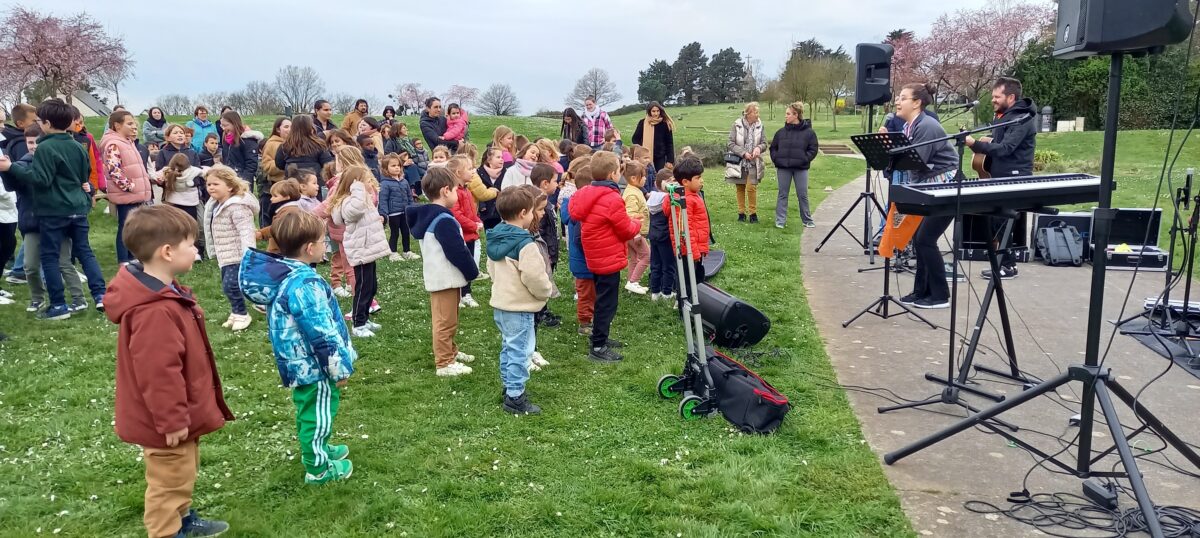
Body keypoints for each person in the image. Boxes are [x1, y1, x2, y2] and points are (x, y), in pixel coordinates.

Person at [105, 204, 233, 538]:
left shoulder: (165, 293)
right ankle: (165, 530)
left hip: (177, 412)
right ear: (166, 252)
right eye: (191, 244)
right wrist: (172, 419)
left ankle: (182, 518)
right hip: (164, 419)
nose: (196, 250)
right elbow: (158, 372)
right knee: (168, 479)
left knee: (182, 469)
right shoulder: (154, 312)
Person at [239, 210, 356, 484]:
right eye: (323, 241)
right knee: (317, 413)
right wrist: (339, 368)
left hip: (298, 362)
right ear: (309, 248)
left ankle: (320, 447)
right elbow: (321, 332)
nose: (326, 246)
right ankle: (318, 468)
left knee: (311, 410)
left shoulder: (284, 275)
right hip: (315, 365)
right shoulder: (305, 284)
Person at [1, 123, 87, 313]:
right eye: (30, 142)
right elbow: (12, 186)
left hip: (57, 220)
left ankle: (78, 298)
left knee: (64, 262)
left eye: (37, 142)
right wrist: (6, 170)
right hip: (33, 221)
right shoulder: (22, 163)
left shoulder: (53, 161)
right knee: (30, 265)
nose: (34, 146)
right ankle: (37, 298)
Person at [486, 187, 555, 415]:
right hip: (519, 307)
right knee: (521, 351)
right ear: (524, 213)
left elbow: (490, 268)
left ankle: (508, 385)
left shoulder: (496, 236)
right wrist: (545, 292)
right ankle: (515, 396)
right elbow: (534, 276)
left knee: (509, 346)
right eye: (533, 211)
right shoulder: (525, 244)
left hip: (502, 303)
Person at [567, 151, 641, 363]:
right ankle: (598, 346)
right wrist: (636, 222)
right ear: (612, 174)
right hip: (608, 258)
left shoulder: (584, 194)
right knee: (607, 303)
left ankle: (601, 336)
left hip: (594, 256)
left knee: (601, 299)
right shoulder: (611, 198)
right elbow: (625, 230)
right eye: (619, 170)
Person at [407, 167, 480, 376]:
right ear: (446, 191)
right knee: (444, 322)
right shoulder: (444, 221)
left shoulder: (437, 217)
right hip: (443, 278)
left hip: (447, 278)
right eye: (456, 190)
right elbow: (456, 251)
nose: (458, 194)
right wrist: (472, 271)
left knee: (450, 319)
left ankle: (451, 350)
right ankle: (444, 362)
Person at [893, 83, 961, 310]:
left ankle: (940, 295)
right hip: (929, 186)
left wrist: (891, 156)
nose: (897, 101)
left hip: (946, 187)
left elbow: (915, 161)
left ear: (917, 103)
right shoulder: (910, 126)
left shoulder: (927, 126)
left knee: (925, 239)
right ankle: (921, 291)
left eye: (903, 97)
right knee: (919, 238)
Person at [966, 76, 1037, 281]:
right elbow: (997, 142)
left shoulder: (1022, 119)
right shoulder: (1004, 116)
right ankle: (1003, 264)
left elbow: (1006, 148)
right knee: (996, 221)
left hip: (1014, 177)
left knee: (1003, 222)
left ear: (1011, 97)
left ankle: (1008, 266)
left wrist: (975, 144)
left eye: (997, 97)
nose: (993, 100)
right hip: (998, 176)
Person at [329, 166, 390, 337]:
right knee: (363, 287)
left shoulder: (361, 199)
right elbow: (354, 212)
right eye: (366, 180)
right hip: (360, 248)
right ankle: (358, 323)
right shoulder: (349, 201)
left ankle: (365, 317)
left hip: (367, 248)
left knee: (371, 286)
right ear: (355, 184)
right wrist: (357, 188)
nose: (370, 183)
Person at [202, 165, 259, 330]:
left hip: (237, 254)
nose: (211, 187)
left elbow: (246, 231)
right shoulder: (215, 204)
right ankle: (236, 311)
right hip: (225, 254)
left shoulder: (237, 206)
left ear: (230, 186)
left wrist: (248, 253)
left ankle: (242, 314)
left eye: (215, 184)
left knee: (231, 285)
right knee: (228, 286)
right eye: (209, 184)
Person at [101, 110, 153, 265]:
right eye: (129, 123)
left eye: (134, 124)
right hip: (126, 195)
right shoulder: (113, 144)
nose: (133, 126)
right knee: (126, 226)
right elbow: (114, 169)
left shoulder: (127, 142)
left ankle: (133, 257)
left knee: (134, 227)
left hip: (136, 194)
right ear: (117, 125)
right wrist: (130, 186)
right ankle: (124, 259)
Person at [665, 156, 711, 311]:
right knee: (686, 279)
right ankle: (683, 305)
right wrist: (694, 252)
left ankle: (690, 301)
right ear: (685, 181)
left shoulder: (692, 195)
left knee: (695, 277)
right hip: (688, 250)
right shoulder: (684, 200)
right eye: (698, 177)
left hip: (695, 248)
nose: (701, 180)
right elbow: (684, 228)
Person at [769, 102, 820, 229]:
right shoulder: (780, 133)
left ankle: (807, 220)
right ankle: (780, 221)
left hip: (801, 169)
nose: (785, 116)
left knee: (802, 194)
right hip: (783, 168)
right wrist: (776, 159)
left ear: (796, 115)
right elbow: (773, 148)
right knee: (782, 194)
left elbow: (813, 149)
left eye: (788, 114)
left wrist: (804, 159)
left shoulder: (809, 133)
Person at [560, 160, 595, 336]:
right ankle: (585, 322)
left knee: (588, 292)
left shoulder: (570, 203)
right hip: (585, 261)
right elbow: (581, 238)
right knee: (586, 294)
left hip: (580, 261)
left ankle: (591, 317)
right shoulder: (584, 209)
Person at [447, 155, 487, 307]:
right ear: (458, 172)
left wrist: (477, 221)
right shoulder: (454, 192)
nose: (473, 171)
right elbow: (456, 214)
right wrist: (473, 225)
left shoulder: (467, 190)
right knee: (459, 265)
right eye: (470, 168)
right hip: (461, 235)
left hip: (470, 235)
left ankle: (466, 293)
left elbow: (471, 211)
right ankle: (458, 294)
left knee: (469, 264)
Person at [529, 164, 561, 329]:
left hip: (550, 251)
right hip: (544, 252)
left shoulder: (546, 203)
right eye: (555, 181)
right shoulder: (538, 206)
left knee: (547, 278)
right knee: (541, 280)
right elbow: (539, 231)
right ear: (545, 183)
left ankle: (544, 309)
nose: (558, 184)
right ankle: (540, 313)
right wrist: (547, 252)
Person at [727, 102, 767, 223]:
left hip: (754, 162)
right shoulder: (737, 125)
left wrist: (758, 148)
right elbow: (730, 143)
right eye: (755, 112)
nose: (757, 114)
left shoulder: (760, 125)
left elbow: (764, 143)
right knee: (740, 187)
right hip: (739, 161)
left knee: (751, 187)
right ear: (748, 113)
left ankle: (753, 214)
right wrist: (743, 153)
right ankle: (741, 213)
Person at [217, 111, 263, 204]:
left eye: (226, 125)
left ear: (234, 123)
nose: (224, 128)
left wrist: (243, 181)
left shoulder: (247, 140)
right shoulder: (226, 140)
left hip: (242, 180)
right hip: (229, 179)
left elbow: (251, 164)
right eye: (222, 126)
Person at [378, 153, 417, 261]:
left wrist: (411, 208)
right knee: (394, 233)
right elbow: (383, 200)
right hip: (393, 213)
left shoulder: (404, 181)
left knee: (406, 232)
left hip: (404, 212)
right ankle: (393, 252)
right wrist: (383, 213)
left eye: (398, 165)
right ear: (386, 168)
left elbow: (409, 196)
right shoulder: (385, 184)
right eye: (393, 165)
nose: (397, 168)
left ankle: (407, 251)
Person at [160, 153, 204, 250]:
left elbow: (156, 177)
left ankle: (175, 249)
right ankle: (195, 250)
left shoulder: (167, 172)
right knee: (191, 228)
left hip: (172, 203)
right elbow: (205, 173)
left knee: (174, 228)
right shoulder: (193, 171)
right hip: (190, 203)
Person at [647, 168, 677, 301]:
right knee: (668, 265)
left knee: (655, 264)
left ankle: (655, 291)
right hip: (666, 236)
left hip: (653, 235)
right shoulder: (668, 199)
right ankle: (667, 292)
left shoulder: (652, 197)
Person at [622, 162, 651, 295]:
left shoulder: (634, 190)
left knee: (634, 258)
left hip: (631, 233)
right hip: (634, 233)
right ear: (634, 178)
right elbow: (630, 215)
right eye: (643, 176)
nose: (645, 178)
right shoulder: (632, 195)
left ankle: (631, 283)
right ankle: (634, 281)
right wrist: (636, 233)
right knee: (646, 256)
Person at [255, 178, 304, 254]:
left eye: (275, 196)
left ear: (287, 197)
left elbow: (279, 227)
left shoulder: (289, 212)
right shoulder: (286, 209)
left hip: (282, 251)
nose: (271, 199)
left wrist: (262, 233)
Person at [259, 116, 292, 222]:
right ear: (278, 129)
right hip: (276, 186)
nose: (289, 129)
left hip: (291, 186)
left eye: (291, 127)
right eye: (286, 127)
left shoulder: (294, 143)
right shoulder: (271, 144)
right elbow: (266, 165)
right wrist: (282, 164)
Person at [631, 102, 675, 172]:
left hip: (660, 156)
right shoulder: (642, 123)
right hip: (645, 156)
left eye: (658, 111)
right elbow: (635, 139)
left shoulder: (665, 124)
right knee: (646, 174)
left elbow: (669, 143)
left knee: (660, 174)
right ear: (649, 112)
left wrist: (670, 160)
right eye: (653, 111)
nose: (656, 113)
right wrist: (642, 149)